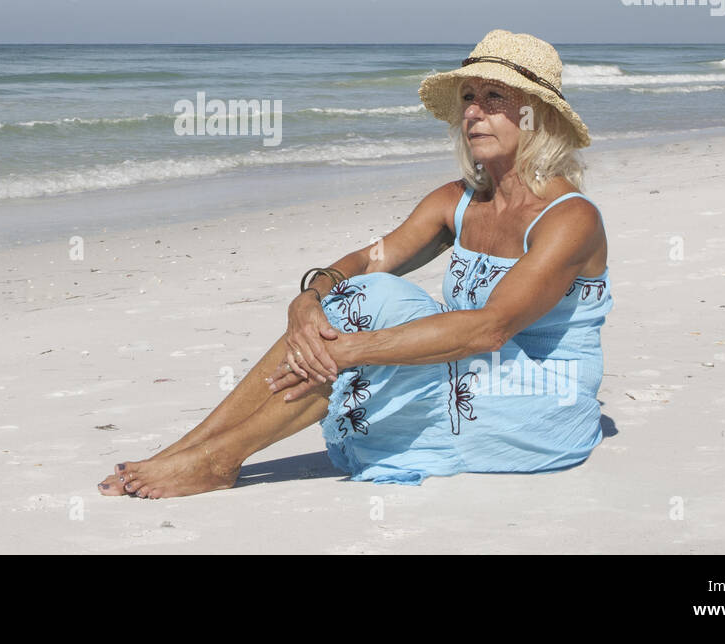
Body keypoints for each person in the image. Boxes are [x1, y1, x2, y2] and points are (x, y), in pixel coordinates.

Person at [97, 29, 612, 498]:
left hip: (542, 404)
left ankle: (219, 457)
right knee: (356, 296)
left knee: (377, 303)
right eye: (469, 99)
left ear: (536, 116)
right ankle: (191, 450)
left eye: (495, 98)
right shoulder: (459, 200)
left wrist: (348, 352)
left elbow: (490, 328)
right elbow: (371, 258)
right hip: (473, 377)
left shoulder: (570, 218)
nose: (474, 113)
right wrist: (311, 297)